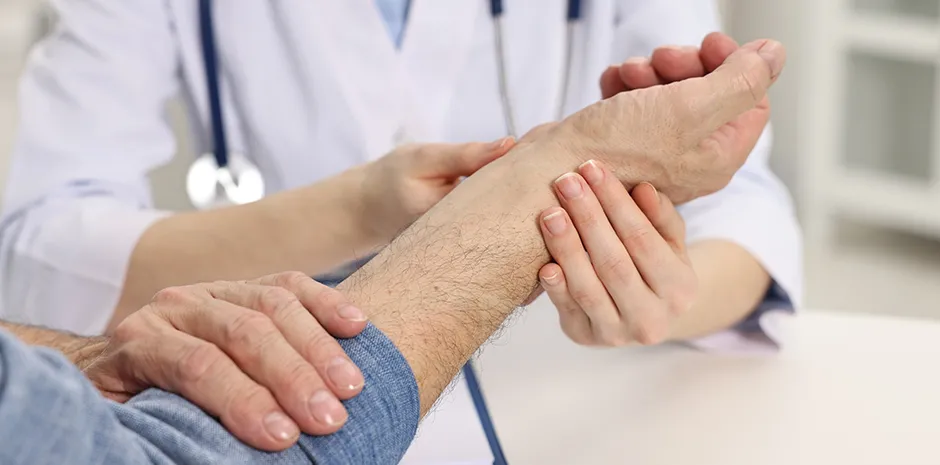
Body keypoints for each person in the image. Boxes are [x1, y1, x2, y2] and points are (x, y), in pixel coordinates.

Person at [0, 38, 786, 465]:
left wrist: (660, 290)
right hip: (298, 370)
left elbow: (748, 201)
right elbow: (40, 238)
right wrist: (357, 207)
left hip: (563, 404)